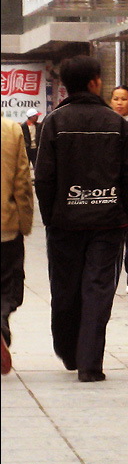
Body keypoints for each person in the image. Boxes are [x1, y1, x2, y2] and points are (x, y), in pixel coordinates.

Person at [34, 56, 128, 382]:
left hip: (65, 221)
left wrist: (52, 216)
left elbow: (44, 177)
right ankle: (90, 363)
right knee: (98, 289)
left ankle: (68, 351)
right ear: (94, 81)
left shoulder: (54, 122)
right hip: (107, 222)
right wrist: (124, 215)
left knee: (64, 287)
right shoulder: (117, 123)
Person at [1, 116, 34, 375]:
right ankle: (1, 319)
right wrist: (24, 222)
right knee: (9, 284)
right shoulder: (11, 130)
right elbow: (22, 182)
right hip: (5, 226)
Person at [110, 85, 128, 293]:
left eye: (124, 99)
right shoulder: (106, 124)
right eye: (116, 98)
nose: (119, 102)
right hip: (112, 188)